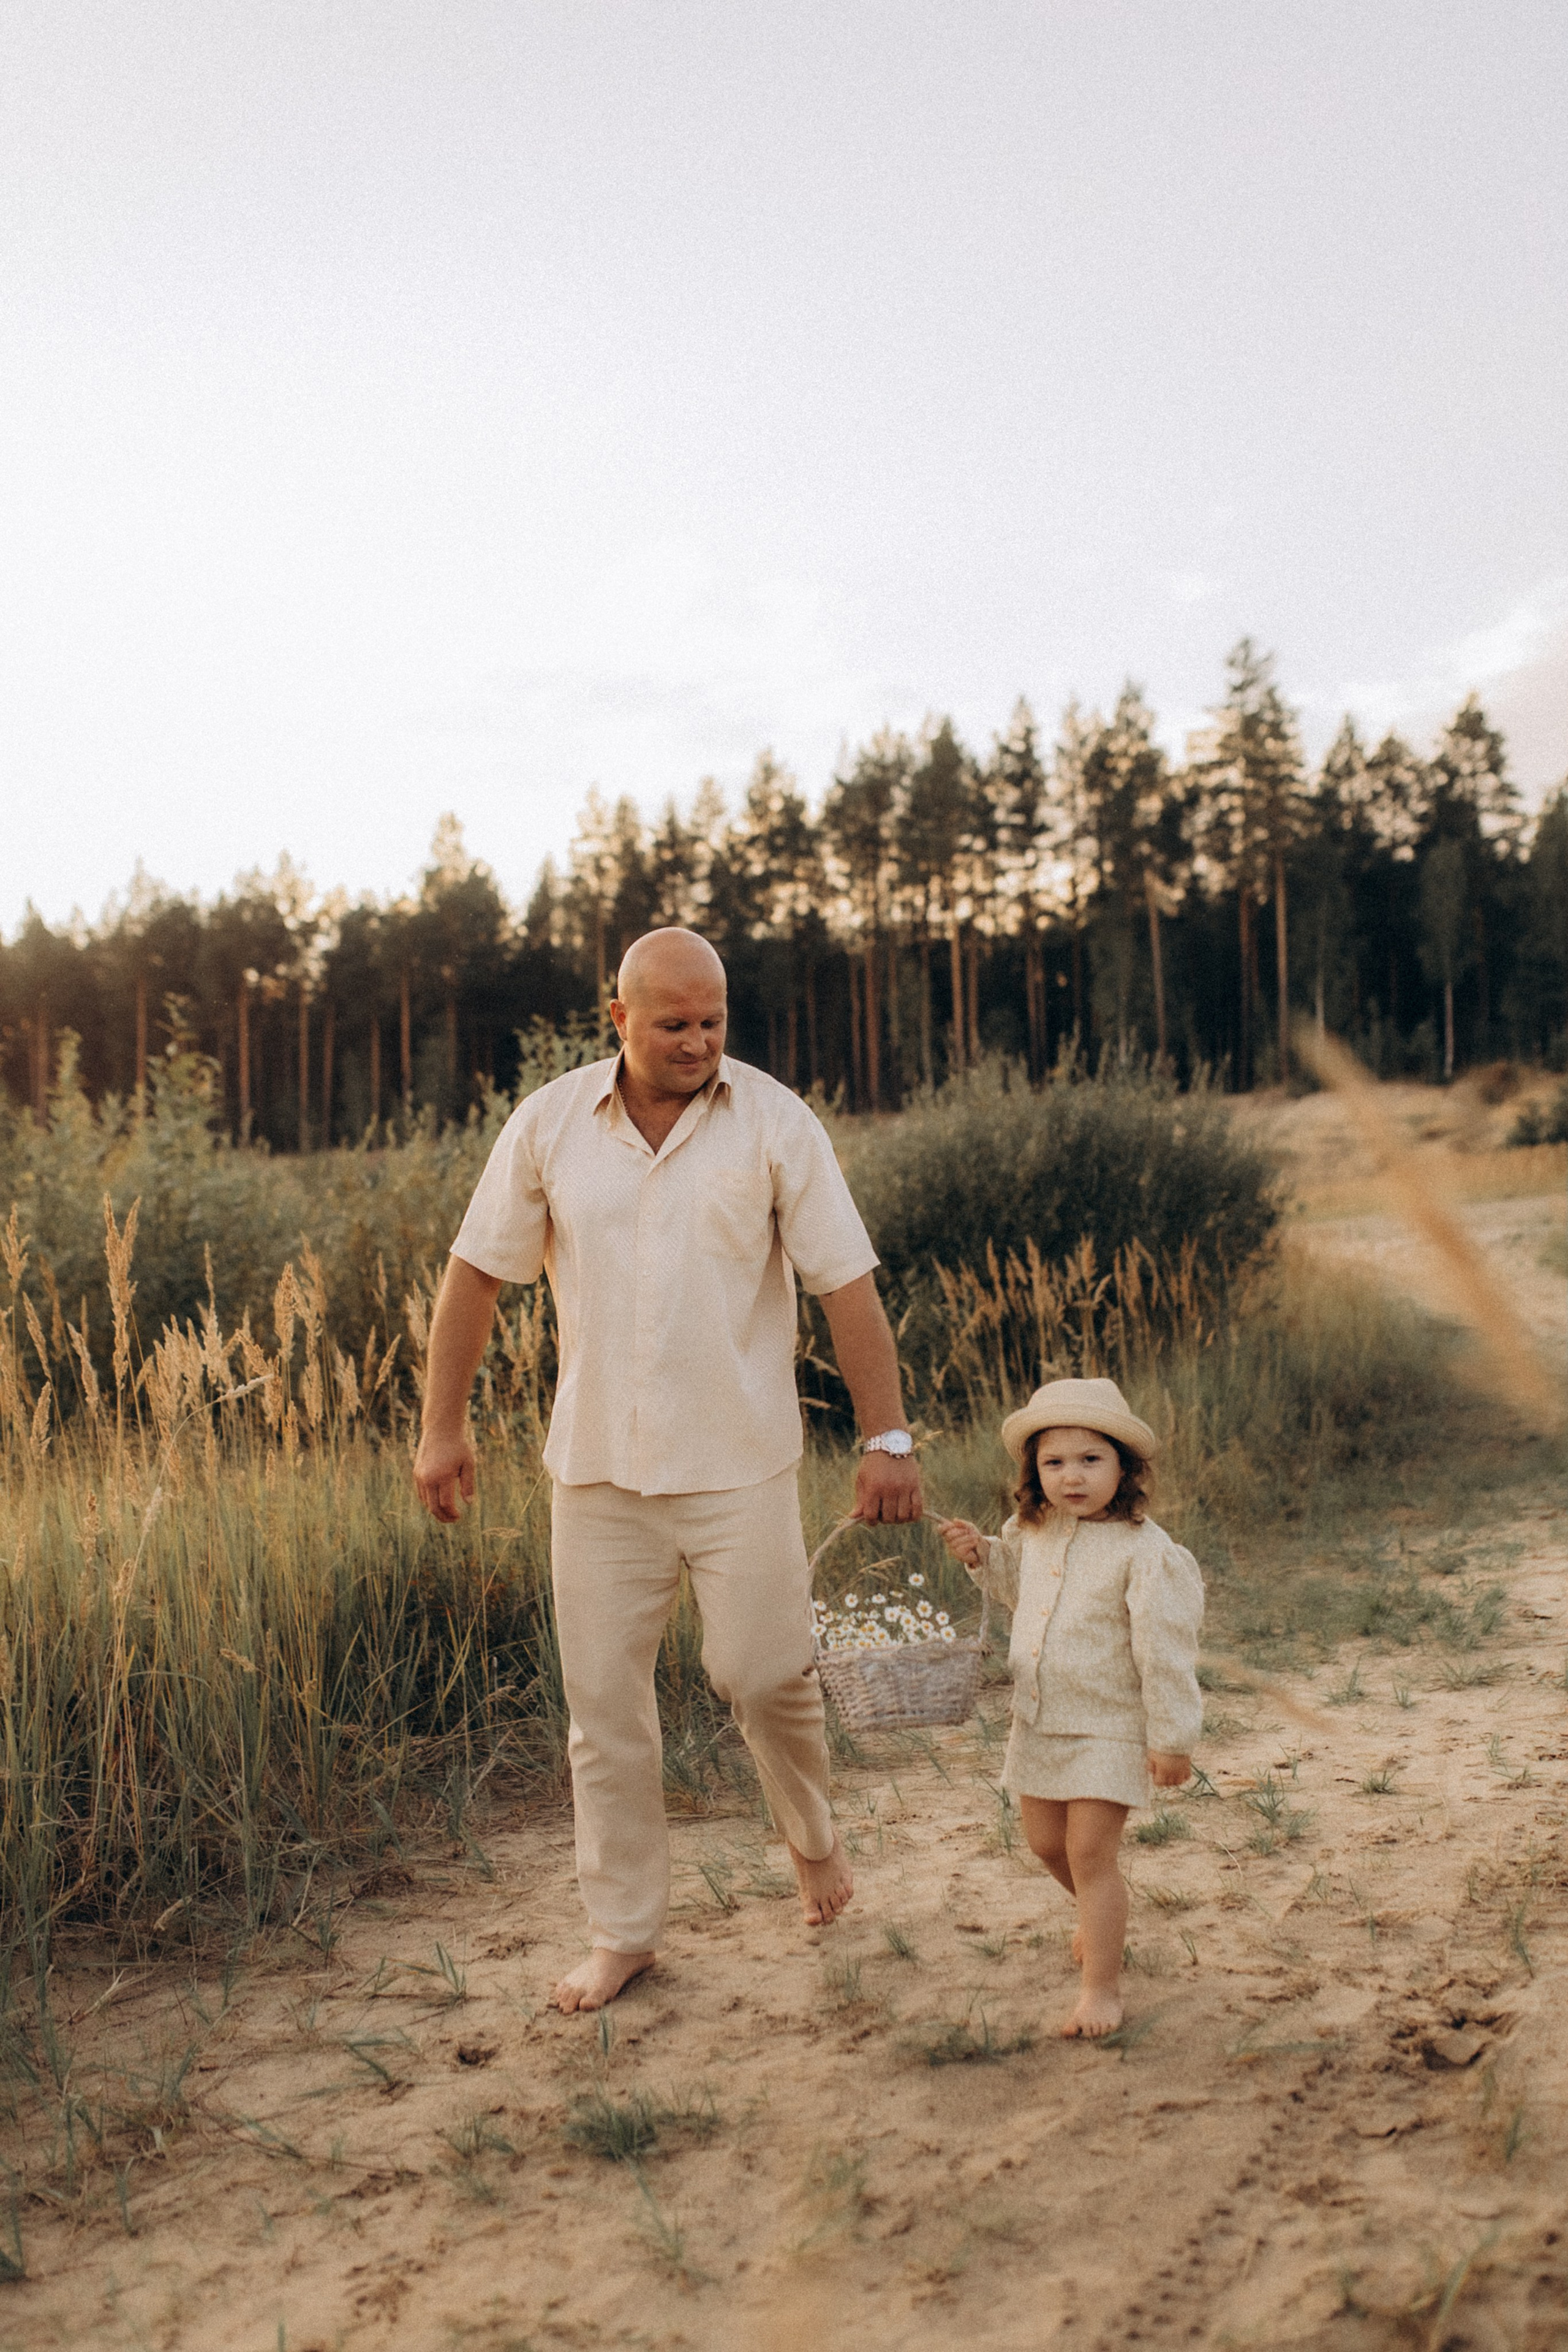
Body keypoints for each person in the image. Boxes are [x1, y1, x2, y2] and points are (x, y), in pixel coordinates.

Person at [413, 928, 922, 2013]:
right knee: (604, 1710)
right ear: (621, 1018)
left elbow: (848, 1287)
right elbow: (474, 1276)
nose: (698, 1043)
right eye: (674, 1024)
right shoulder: (550, 1124)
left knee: (764, 1673)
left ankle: (813, 1838)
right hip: (595, 1472)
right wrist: (441, 1429)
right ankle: (625, 1933)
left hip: (740, 1466)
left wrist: (887, 1440)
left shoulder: (777, 1122)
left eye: (714, 1022)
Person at [937, 1377, 1202, 2039]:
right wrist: (982, 1557)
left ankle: (1101, 1988)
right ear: (1035, 1473)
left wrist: (1171, 1738)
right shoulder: (1035, 1532)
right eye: (1054, 1463)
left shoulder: (1145, 1552)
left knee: (1089, 1852)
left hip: (1110, 1724)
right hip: (1040, 1718)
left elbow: (1165, 1651)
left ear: (1124, 1467)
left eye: (1091, 1460)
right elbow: (1015, 1592)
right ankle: (1097, 1917)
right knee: (1044, 1843)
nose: (1072, 1478)